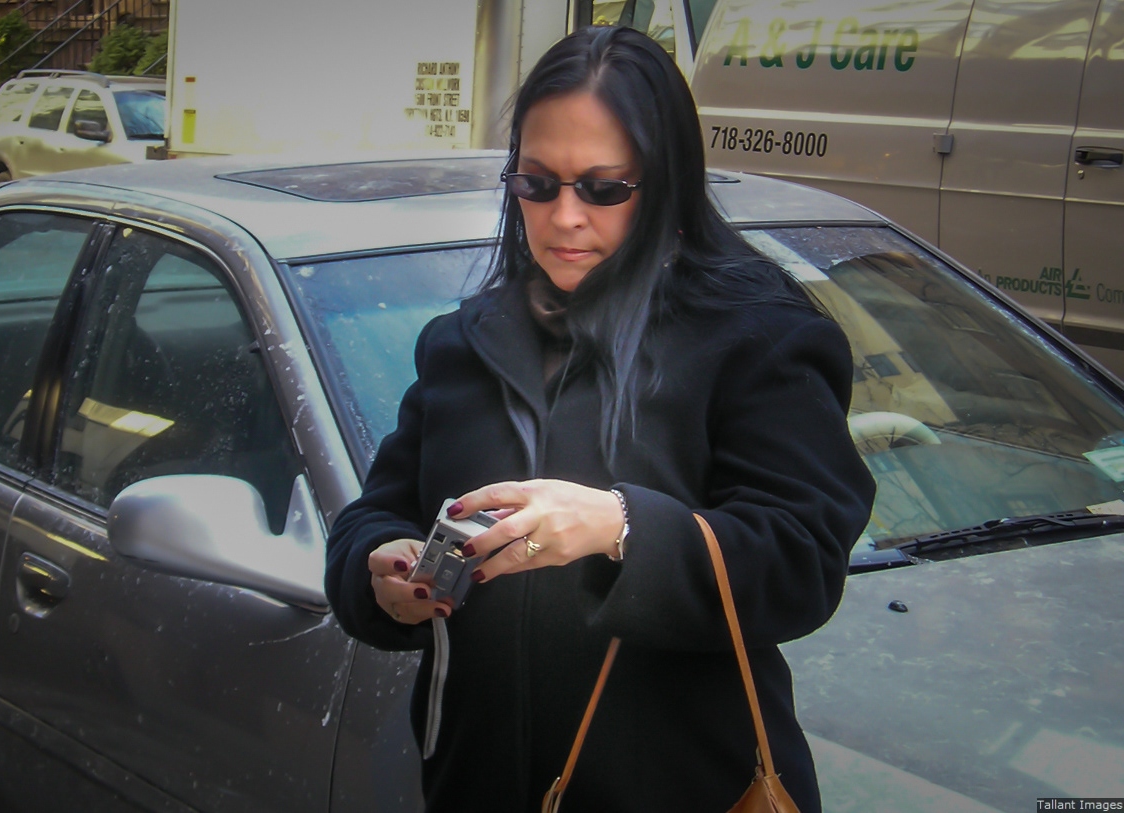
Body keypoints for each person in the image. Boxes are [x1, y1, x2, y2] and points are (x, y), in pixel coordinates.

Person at [325, 25, 876, 813]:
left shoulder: (758, 337)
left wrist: (620, 527)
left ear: (667, 181)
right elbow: (373, 515)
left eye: (604, 188)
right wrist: (379, 570)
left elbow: (803, 558)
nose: (564, 217)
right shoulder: (465, 342)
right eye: (536, 184)